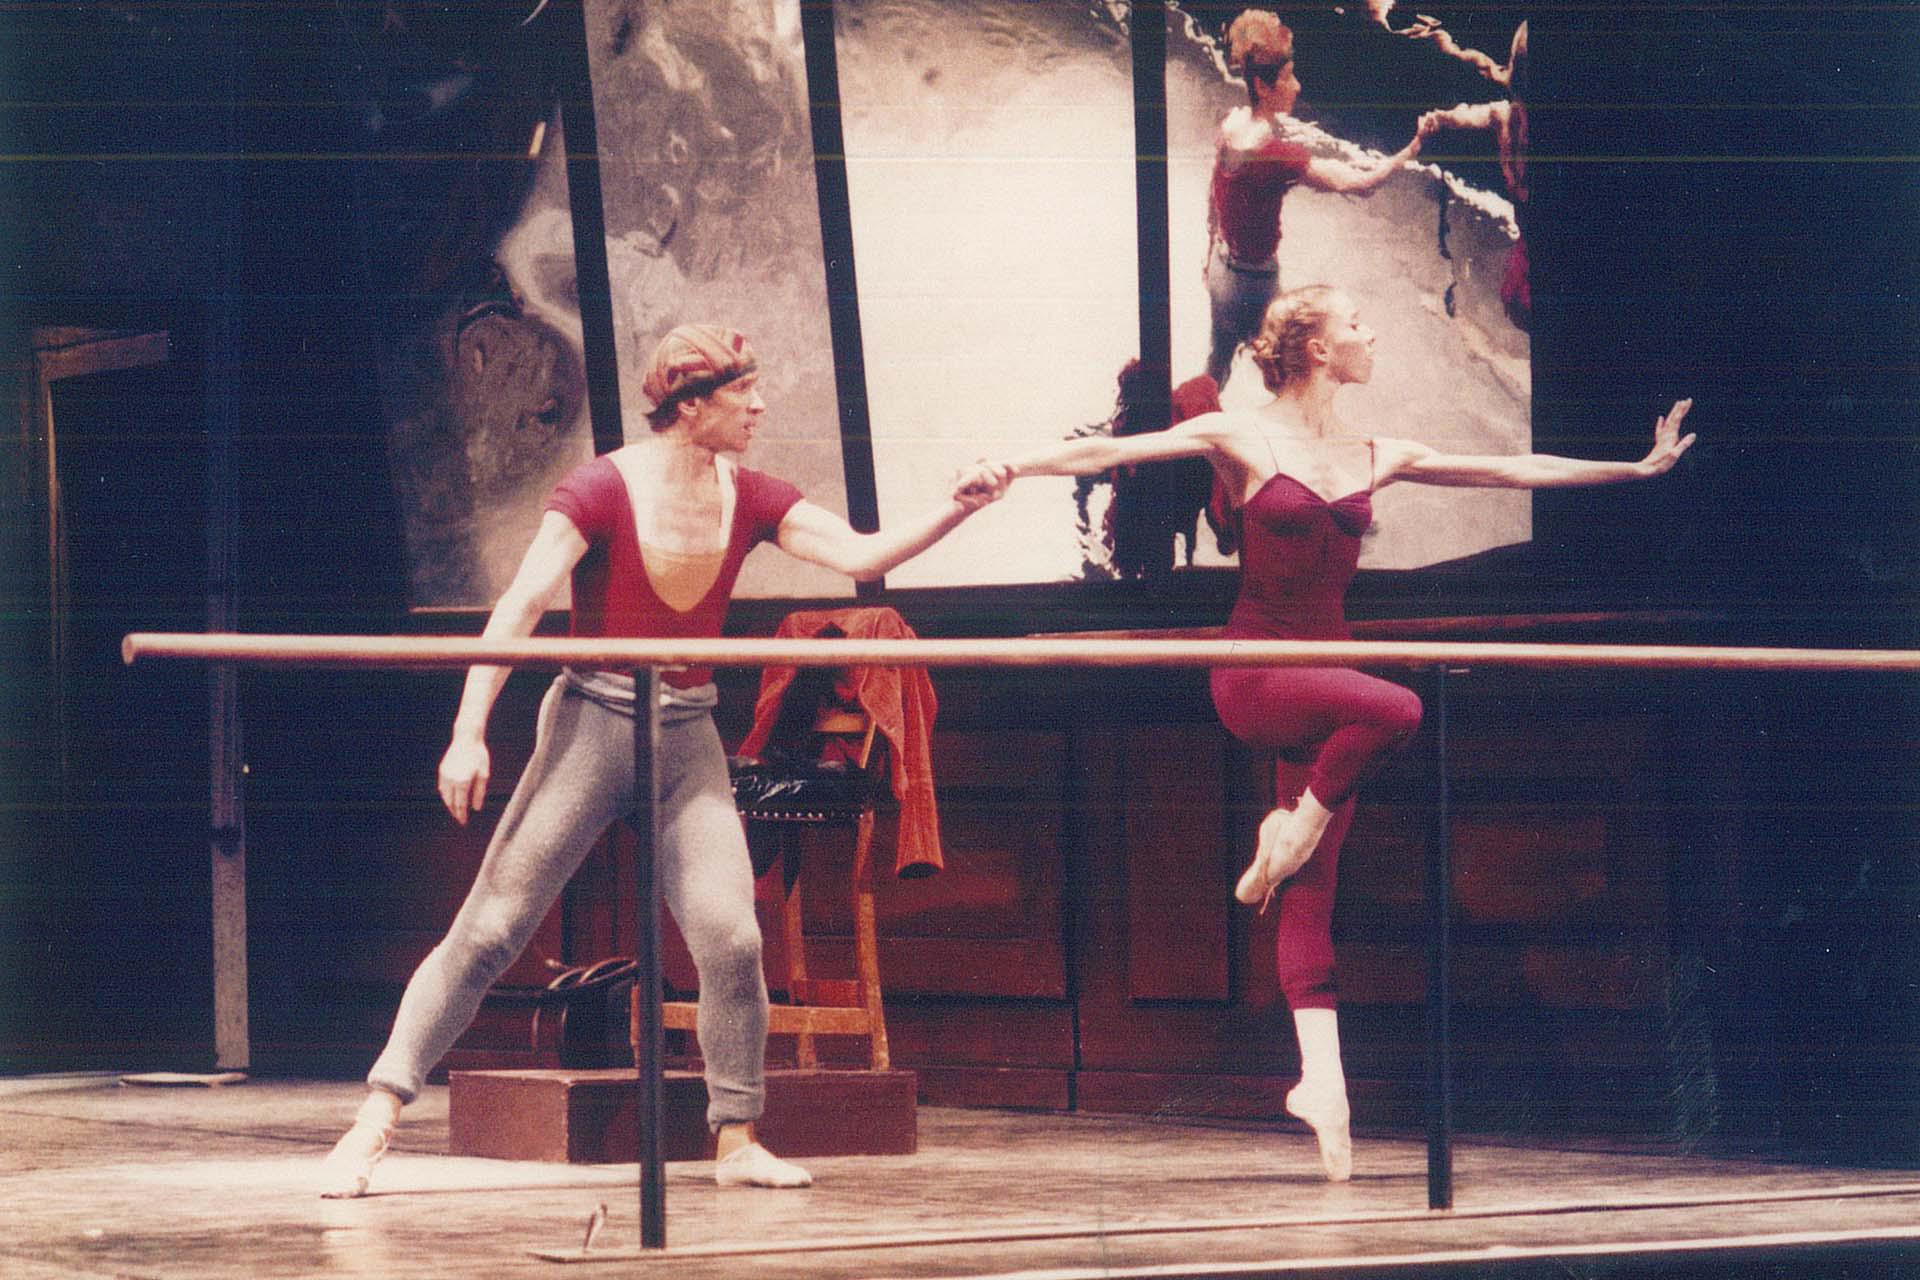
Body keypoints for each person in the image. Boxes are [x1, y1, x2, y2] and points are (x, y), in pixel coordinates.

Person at [960, 285, 1693, 1181]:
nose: (1370, 334)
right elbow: (1112, 448)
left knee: (1311, 898)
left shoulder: (1377, 452)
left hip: (1328, 686)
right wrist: (1008, 466)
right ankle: (1292, 826)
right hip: (1258, 674)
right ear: (1313, 347)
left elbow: (1511, 469)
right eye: (1355, 325)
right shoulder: (1241, 435)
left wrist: (1633, 472)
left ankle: (1324, 1089)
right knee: (1401, 707)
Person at [319, 323, 1001, 1198]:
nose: (759, 407)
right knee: (490, 930)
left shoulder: (752, 496)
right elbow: (521, 604)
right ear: (690, 405)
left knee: (731, 937)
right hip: (592, 725)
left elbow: (863, 555)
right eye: (742, 392)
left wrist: (959, 506)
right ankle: (375, 1119)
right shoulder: (600, 489)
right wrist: (468, 730)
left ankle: (736, 1139)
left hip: (686, 736)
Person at [1204, 9, 1423, 390]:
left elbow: (1214, 196)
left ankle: (1197, 414)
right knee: (1287, 379)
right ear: (1264, 86)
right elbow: (1361, 184)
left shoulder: (1232, 125)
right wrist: (1415, 147)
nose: (1298, 86)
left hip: (1221, 269)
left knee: (1218, 359)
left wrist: (1208, 253)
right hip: (1255, 285)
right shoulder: (1277, 155)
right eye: (1289, 77)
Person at [1412, 20, 1530, 328]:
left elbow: (1474, 108)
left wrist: (1442, 118)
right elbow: (1472, 109)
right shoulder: (1507, 116)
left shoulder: (1506, 116)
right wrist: (1442, 118)